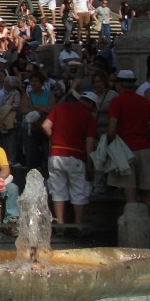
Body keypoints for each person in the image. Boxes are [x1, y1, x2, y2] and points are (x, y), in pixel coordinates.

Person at [41, 90, 97, 229]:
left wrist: (54, 139)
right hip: (76, 156)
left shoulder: (60, 107)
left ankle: (60, 224)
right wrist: (90, 165)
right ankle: (78, 225)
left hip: (55, 154)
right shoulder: (89, 117)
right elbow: (90, 144)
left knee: (57, 190)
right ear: (91, 104)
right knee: (78, 191)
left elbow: (45, 126)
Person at [107, 70, 150, 214]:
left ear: (119, 84)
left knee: (129, 191)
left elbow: (111, 130)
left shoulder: (117, 101)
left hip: (126, 150)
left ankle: (132, 224)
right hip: (144, 148)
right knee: (146, 192)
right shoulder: (144, 101)